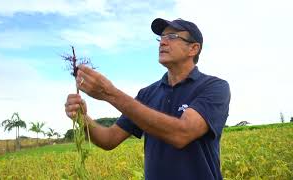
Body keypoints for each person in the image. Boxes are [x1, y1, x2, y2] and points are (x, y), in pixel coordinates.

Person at [65, 18, 231, 180]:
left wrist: (110, 93)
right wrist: (82, 118)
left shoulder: (214, 87)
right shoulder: (147, 94)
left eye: (172, 37)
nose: (162, 42)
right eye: (161, 37)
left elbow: (182, 133)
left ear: (193, 49)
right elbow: (109, 139)